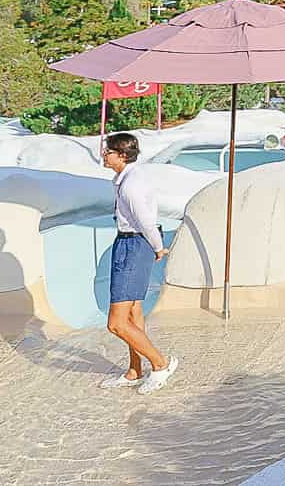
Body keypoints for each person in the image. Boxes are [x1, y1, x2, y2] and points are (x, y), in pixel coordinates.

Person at [100, 132, 180, 393]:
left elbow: (145, 221)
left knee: (116, 323)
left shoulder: (131, 185)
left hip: (134, 245)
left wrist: (159, 247)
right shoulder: (128, 178)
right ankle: (135, 370)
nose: (104, 154)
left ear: (122, 155)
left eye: (108, 151)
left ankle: (160, 364)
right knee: (133, 311)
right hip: (129, 243)